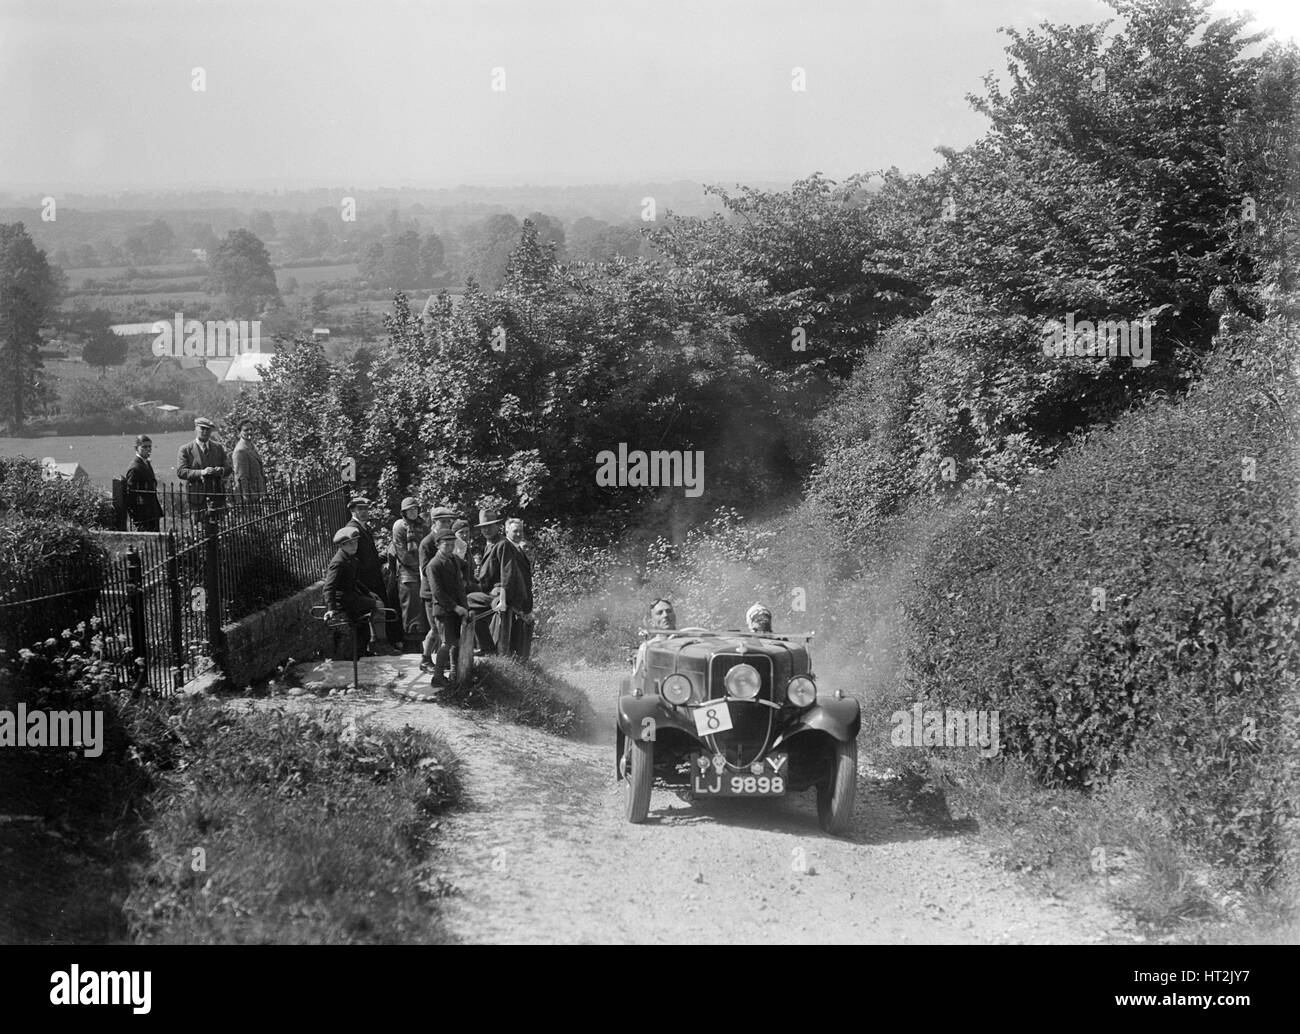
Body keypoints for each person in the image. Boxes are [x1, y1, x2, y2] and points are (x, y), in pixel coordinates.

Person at [474, 508, 533, 659]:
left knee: (467, 602)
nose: (486, 530)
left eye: (490, 526)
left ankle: (492, 651)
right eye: (483, 527)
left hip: (501, 595)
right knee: (472, 611)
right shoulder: (490, 544)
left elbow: (508, 573)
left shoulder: (502, 544)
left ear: (497, 527)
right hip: (491, 593)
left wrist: (503, 599)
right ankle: (487, 648)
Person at [323, 526, 384, 657]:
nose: (354, 546)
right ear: (341, 545)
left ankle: (363, 651)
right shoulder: (338, 562)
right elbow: (329, 587)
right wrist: (331, 608)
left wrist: (368, 592)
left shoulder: (352, 558)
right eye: (350, 544)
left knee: (362, 625)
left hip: (353, 597)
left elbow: (355, 581)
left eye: (355, 542)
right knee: (378, 606)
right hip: (344, 601)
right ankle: (380, 643)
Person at [418, 505, 460, 672]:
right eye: (443, 521)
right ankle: (426, 659)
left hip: (445, 592)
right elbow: (426, 569)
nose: (447, 525)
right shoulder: (427, 543)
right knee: (436, 628)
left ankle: (447, 661)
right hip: (431, 592)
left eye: (449, 522)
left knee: (444, 629)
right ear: (434, 522)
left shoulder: (447, 539)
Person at [344, 496, 386, 654]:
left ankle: (375, 644)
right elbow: (354, 557)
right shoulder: (352, 528)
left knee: (376, 612)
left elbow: (370, 555)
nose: (363, 512)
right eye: (360, 509)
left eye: (365, 509)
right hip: (364, 580)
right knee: (366, 616)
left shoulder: (365, 527)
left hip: (373, 578)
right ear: (353, 510)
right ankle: (371, 647)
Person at [427, 530, 469, 686]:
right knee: (446, 643)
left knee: (455, 642)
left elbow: (461, 580)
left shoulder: (454, 559)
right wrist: (455, 607)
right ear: (438, 545)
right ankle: (437, 677)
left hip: (457, 608)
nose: (450, 548)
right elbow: (437, 592)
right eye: (447, 545)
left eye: (452, 544)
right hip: (444, 610)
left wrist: (464, 605)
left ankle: (454, 672)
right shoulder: (434, 565)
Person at [176, 416, 232, 522]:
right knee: (198, 529)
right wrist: (202, 472)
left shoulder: (218, 448)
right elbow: (181, 472)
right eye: (202, 429)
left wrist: (220, 470)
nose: (205, 432)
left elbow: (228, 468)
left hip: (217, 495)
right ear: (195, 430)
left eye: (208, 429)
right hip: (197, 498)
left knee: (219, 526)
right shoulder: (185, 450)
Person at [391, 496, 429, 653]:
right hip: (408, 573)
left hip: (422, 571)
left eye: (415, 509)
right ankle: (411, 647)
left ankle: (422, 646)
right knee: (411, 610)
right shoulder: (400, 526)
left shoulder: (423, 525)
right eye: (409, 510)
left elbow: (427, 547)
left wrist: (425, 567)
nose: (413, 512)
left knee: (423, 609)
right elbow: (403, 554)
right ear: (403, 512)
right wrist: (419, 566)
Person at [504, 518, 535, 661]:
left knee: (523, 643)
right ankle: (515, 670)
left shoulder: (518, 548)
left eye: (520, 531)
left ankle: (523, 669)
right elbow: (509, 579)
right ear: (506, 531)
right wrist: (517, 607)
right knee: (514, 643)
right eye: (514, 531)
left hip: (524, 602)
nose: (518, 534)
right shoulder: (506, 548)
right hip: (515, 605)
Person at [123, 434, 162, 531]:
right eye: (144, 447)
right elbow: (130, 493)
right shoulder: (134, 467)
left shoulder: (146, 463)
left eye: (150, 446)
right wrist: (135, 514)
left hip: (152, 510)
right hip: (142, 513)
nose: (148, 449)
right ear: (136, 448)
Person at [633, 598, 677, 675]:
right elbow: (638, 679)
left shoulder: (689, 642)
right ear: (652, 622)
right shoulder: (647, 647)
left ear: (675, 616)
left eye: (669, 611)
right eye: (660, 613)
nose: (666, 615)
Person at [231, 419, 266, 503]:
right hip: (251, 496)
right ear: (239, 433)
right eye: (246, 430)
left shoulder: (251, 446)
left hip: (258, 493)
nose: (249, 432)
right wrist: (246, 498)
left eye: (251, 429)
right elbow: (241, 477)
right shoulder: (240, 451)